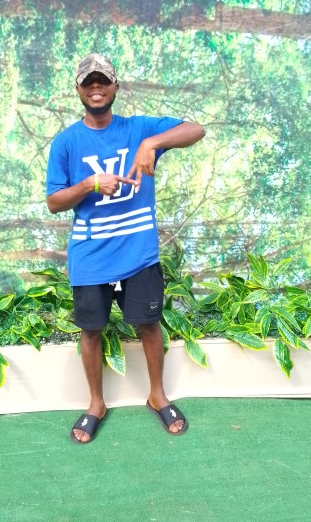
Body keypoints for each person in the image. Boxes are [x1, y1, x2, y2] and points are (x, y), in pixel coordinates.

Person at [46, 53, 205, 443]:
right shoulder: (66, 142)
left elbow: (196, 129)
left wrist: (152, 143)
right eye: (88, 82)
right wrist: (90, 184)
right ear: (78, 89)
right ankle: (96, 403)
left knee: (149, 324)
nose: (96, 87)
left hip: (138, 254)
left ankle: (157, 395)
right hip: (91, 256)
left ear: (116, 86)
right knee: (91, 331)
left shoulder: (139, 129)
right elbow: (53, 202)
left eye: (103, 80)